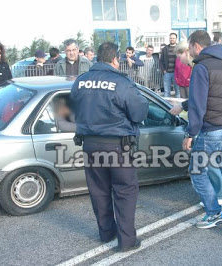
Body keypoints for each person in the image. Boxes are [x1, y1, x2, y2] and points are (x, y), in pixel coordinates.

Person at [70, 42, 149, 252]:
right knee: (124, 191)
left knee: (99, 191)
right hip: (117, 147)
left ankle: (106, 233)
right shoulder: (121, 82)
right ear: (115, 59)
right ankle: (127, 241)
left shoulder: (81, 80)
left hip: (90, 144)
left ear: (97, 58)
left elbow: (70, 110)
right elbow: (140, 112)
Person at [182, 30, 222, 239]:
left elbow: (197, 105)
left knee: (198, 172)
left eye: (190, 46)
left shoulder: (201, 67)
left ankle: (213, 212)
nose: (189, 51)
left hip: (210, 131)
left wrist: (190, 132)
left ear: (196, 45)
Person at [159, 33, 180, 98]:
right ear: (169, 38)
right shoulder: (165, 48)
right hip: (167, 73)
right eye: (171, 38)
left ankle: (178, 107)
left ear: (176, 39)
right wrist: (163, 70)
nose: (172, 39)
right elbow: (161, 60)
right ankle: (166, 107)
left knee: (178, 91)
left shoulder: (179, 48)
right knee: (167, 91)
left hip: (177, 73)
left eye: (173, 38)